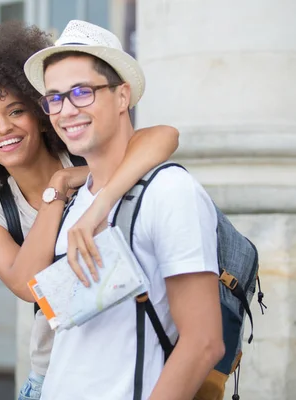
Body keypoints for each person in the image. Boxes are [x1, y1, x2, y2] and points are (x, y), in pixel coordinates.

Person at [0, 21, 180, 400]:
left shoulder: (84, 150)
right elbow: (29, 285)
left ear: (40, 115)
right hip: (52, 377)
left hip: (131, 360)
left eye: (16, 111)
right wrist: (57, 190)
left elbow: (166, 136)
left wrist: (93, 186)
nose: (3, 128)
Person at [23, 20, 224, 400]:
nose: (66, 110)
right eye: (54, 98)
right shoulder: (74, 200)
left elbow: (204, 343)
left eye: (82, 92)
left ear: (121, 97)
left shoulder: (168, 191)